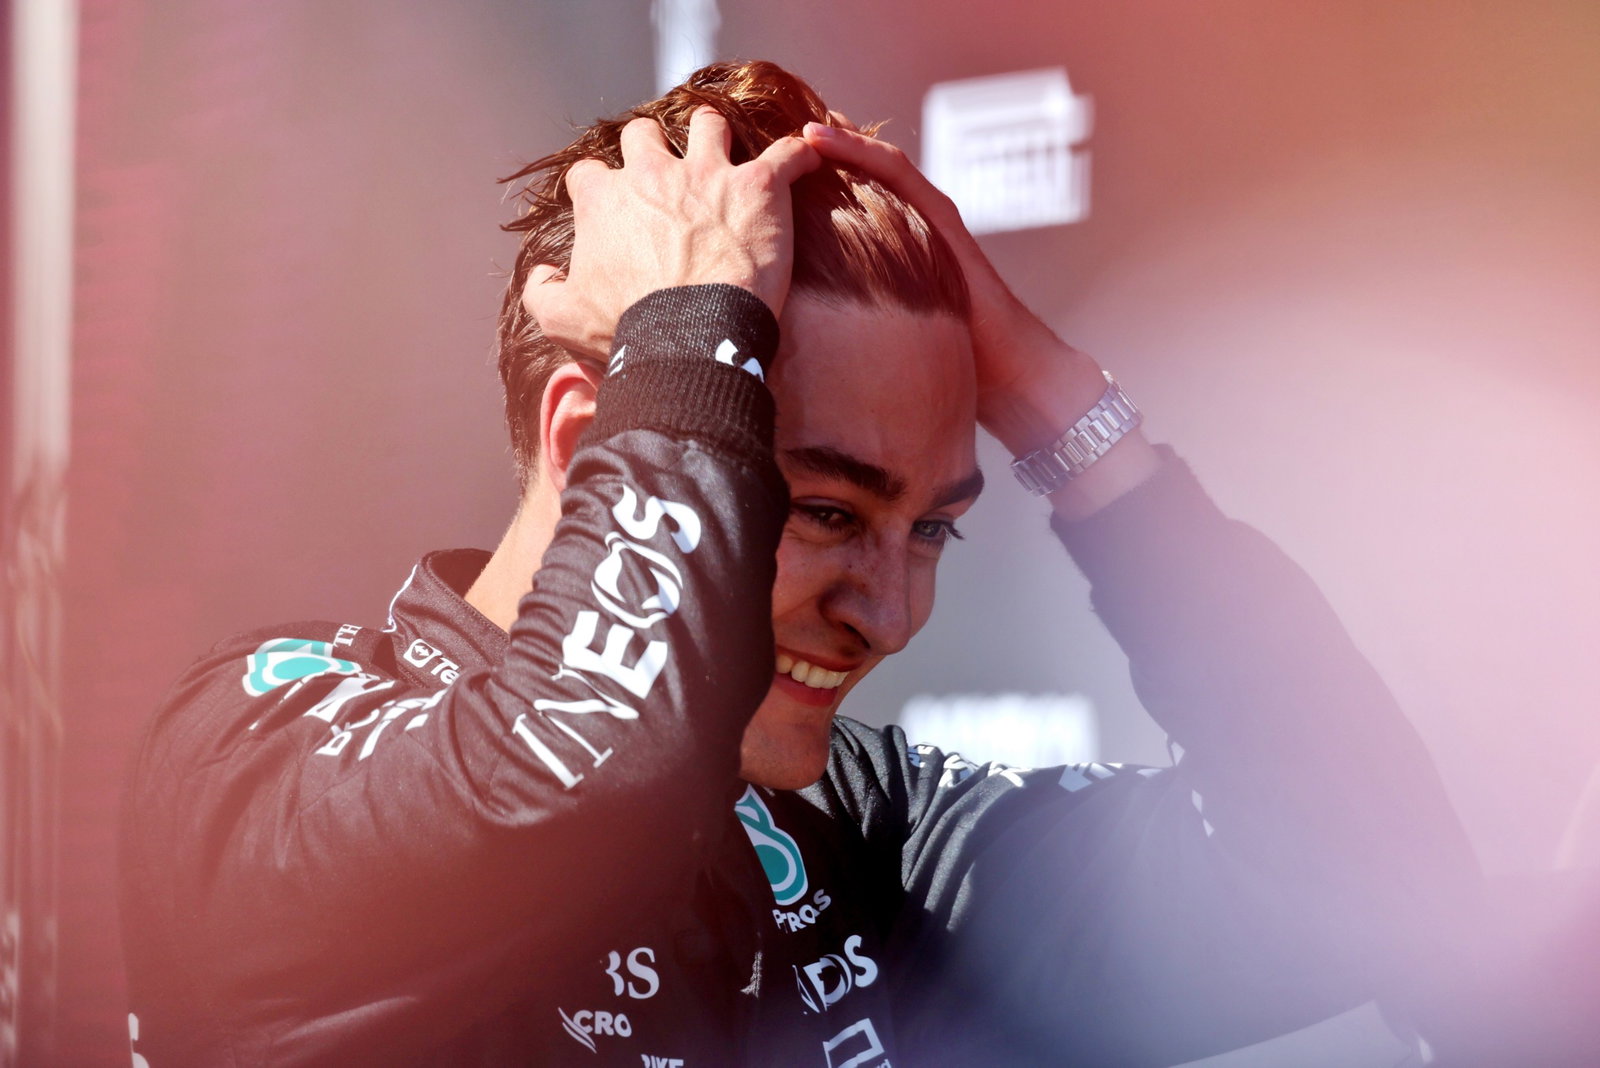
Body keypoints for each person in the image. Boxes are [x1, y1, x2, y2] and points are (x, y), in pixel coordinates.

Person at [119, 60, 1477, 1065]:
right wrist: (691, 334)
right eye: (827, 511)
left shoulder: (854, 833)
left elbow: (1364, 874)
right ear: (597, 444)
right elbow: (583, 772)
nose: (890, 612)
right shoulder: (252, 751)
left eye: (932, 527)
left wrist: (1069, 420)